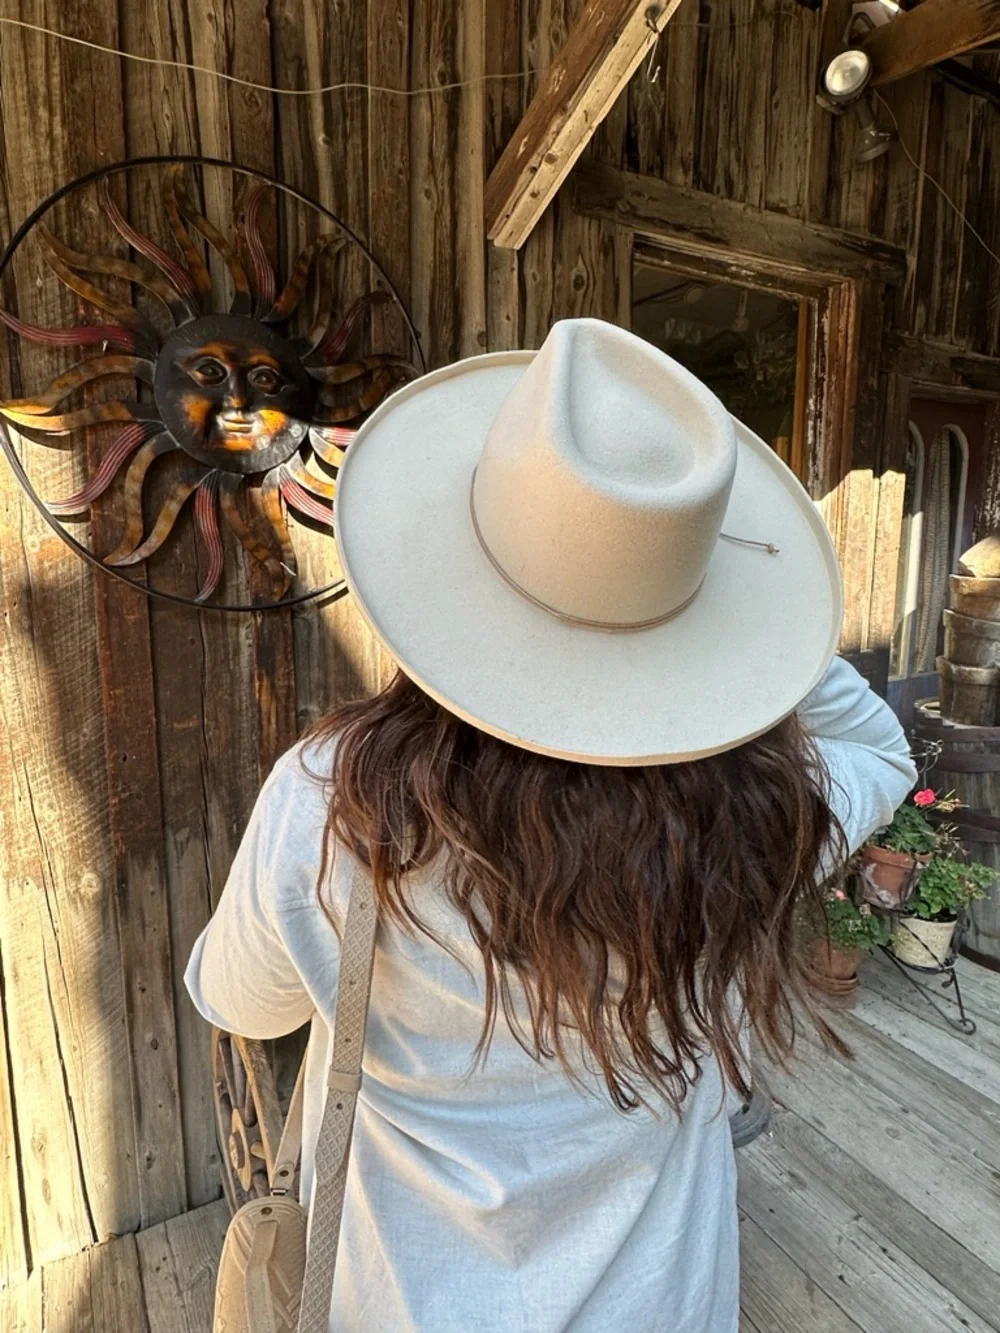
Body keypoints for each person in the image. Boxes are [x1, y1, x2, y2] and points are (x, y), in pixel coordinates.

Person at [186, 319, 916, 1332]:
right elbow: (883, 753)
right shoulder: (757, 817)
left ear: (446, 575)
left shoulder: (327, 802)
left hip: (398, 1301)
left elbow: (241, 1001)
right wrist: (753, 634)